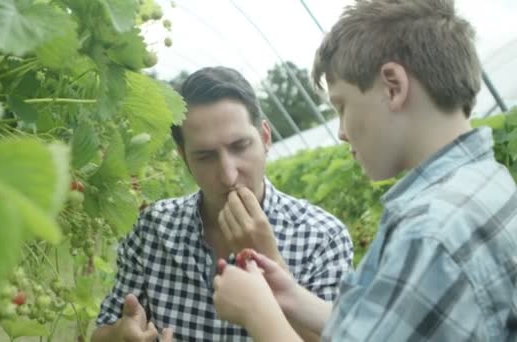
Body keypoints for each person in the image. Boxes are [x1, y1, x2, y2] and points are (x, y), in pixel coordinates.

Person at [212, 0, 517, 341]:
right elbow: (397, 321)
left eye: (342, 105)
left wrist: (258, 311)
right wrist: (292, 298)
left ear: (393, 86)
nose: (342, 131)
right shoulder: (486, 182)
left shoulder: (430, 233)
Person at [91, 66, 353, 341]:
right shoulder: (152, 230)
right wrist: (122, 334)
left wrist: (268, 259)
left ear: (265, 137)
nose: (228, 175)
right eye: (205, 156)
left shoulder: (323, 238)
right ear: (184, 158)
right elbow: (103, 332)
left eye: (240, 146)